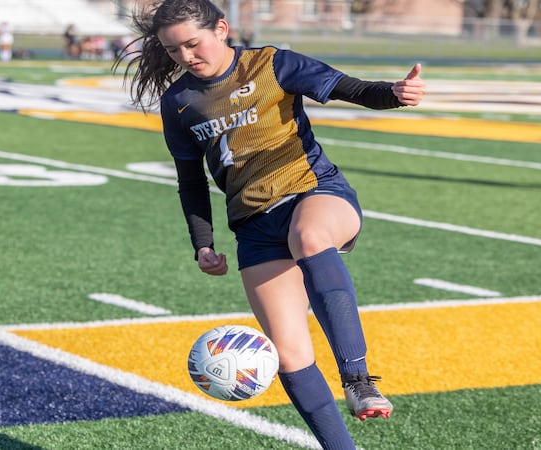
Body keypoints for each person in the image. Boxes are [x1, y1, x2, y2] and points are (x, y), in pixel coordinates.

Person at [113, 1, 426, 449]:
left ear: (221, 29)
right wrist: (203, 243)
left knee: (310, 236)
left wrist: (394, 93)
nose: (185, 56)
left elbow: (347, 88)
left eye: (192, 44)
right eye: (174, 50)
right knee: (291, 356)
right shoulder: (179, 101)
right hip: (254, 227)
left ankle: (358, 378)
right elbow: (190, 181)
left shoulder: (272, 63)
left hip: (315, 194)